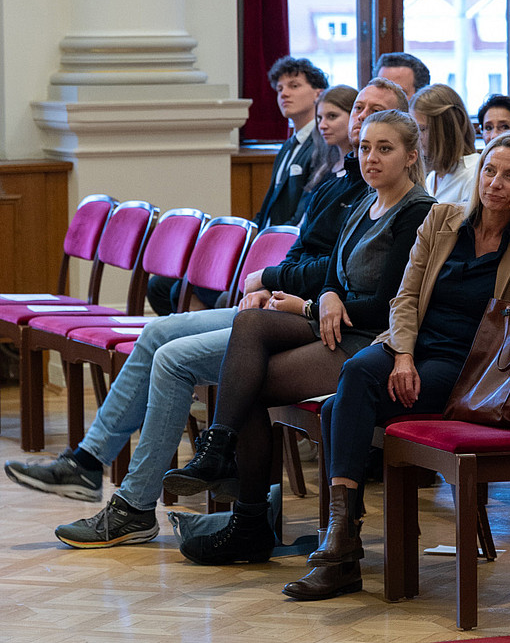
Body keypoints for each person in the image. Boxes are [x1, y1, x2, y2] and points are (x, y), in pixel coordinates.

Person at [2, 80, 409, 549]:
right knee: (158, 332)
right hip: (287, 306)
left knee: (175, 359)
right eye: (359, 108)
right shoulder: (339, 185)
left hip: (310, 320)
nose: (361, 119)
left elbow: (338, 275)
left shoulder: (379, 195)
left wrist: (282, 286)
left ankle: (136, 505)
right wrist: (275, 283)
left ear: (405, 141)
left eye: (377, 116)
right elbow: (307, 255)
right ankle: (89, 462)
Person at [245, 131, 510, 600]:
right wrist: (402, 354)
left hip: (470, 368)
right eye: (490, 170)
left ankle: (340, 548)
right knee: (358, 373)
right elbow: (405, 296)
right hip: (411, 346)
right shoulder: (444, 220)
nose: (496, 183)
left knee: (340, 406)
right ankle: (341, 540)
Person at [161, 109, 436, 565]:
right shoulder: (365, 203)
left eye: (384, 149)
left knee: (245, 386)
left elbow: (392, 301)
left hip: (374, 339)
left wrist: (313, 305)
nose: (370, 158)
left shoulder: (416, 213)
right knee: (250, 326)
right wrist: (326, 295)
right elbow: (333, 274)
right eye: (365, 148)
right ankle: (223, 458)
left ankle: (243, 511)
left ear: (411, 156)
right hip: (338, 322)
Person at [147, 57, 333, 315]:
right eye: (280, 89)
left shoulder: (321, 145)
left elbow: (301, 218)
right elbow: (266, 209)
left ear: (318, 93)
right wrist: (245, 241)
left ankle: (209, 342)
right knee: (160, 285)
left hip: (281, 251)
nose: (285, 94)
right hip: (263, 243)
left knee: (184, 289)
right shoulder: (289, 144)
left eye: (294, 85)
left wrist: (258, 248)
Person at [410, 83, 480, 203]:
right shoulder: (432, 177)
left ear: (447, 129)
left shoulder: (474, 174)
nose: (417, 138)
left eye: (422, 129)